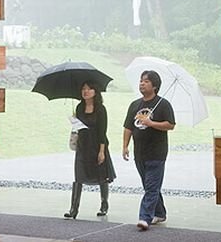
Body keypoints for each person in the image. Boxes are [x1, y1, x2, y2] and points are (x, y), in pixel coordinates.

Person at [123, 70, 175, 231]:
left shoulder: (163, 104)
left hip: (157, 153)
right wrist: (125, 145)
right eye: (141, 80)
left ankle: (144, 218)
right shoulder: (135, 105)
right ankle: (160, 213)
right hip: (140, 153)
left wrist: (151, 123)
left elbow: (171, 125)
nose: (142, 83)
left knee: (151, 186)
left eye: (146, 81)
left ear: (155, 85)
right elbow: (128, 127)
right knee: (150, 186)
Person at [64, 81, 116, 219]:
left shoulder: (101, 109)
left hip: (97, 145)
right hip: (83, 146)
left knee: (101, 177)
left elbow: (102, 132)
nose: (85, 91)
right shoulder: (80, 107)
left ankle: (104, 205)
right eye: (83, 89)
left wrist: (101, 151)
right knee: (78, 176)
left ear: (95, 91)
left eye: (89, 89)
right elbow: (77, 127)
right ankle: (73, 209)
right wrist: (74, 120)